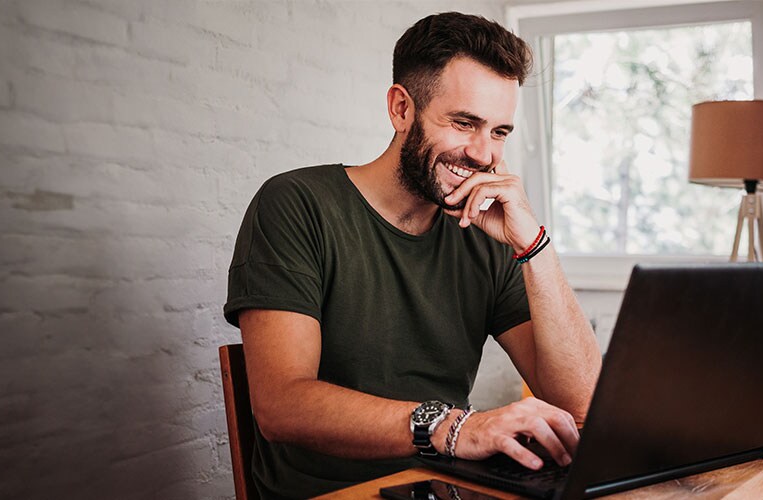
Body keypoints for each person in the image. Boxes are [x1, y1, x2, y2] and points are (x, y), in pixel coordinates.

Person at [222, 12, 602, 499]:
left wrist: (534, 245)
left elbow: (583, 407)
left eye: (500, 132)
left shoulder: (486, 234)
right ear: (402, 109)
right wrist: (456, 428)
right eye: (465, 123)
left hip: (445, 491)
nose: (484, 154)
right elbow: (281, 405)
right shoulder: (297, 204)